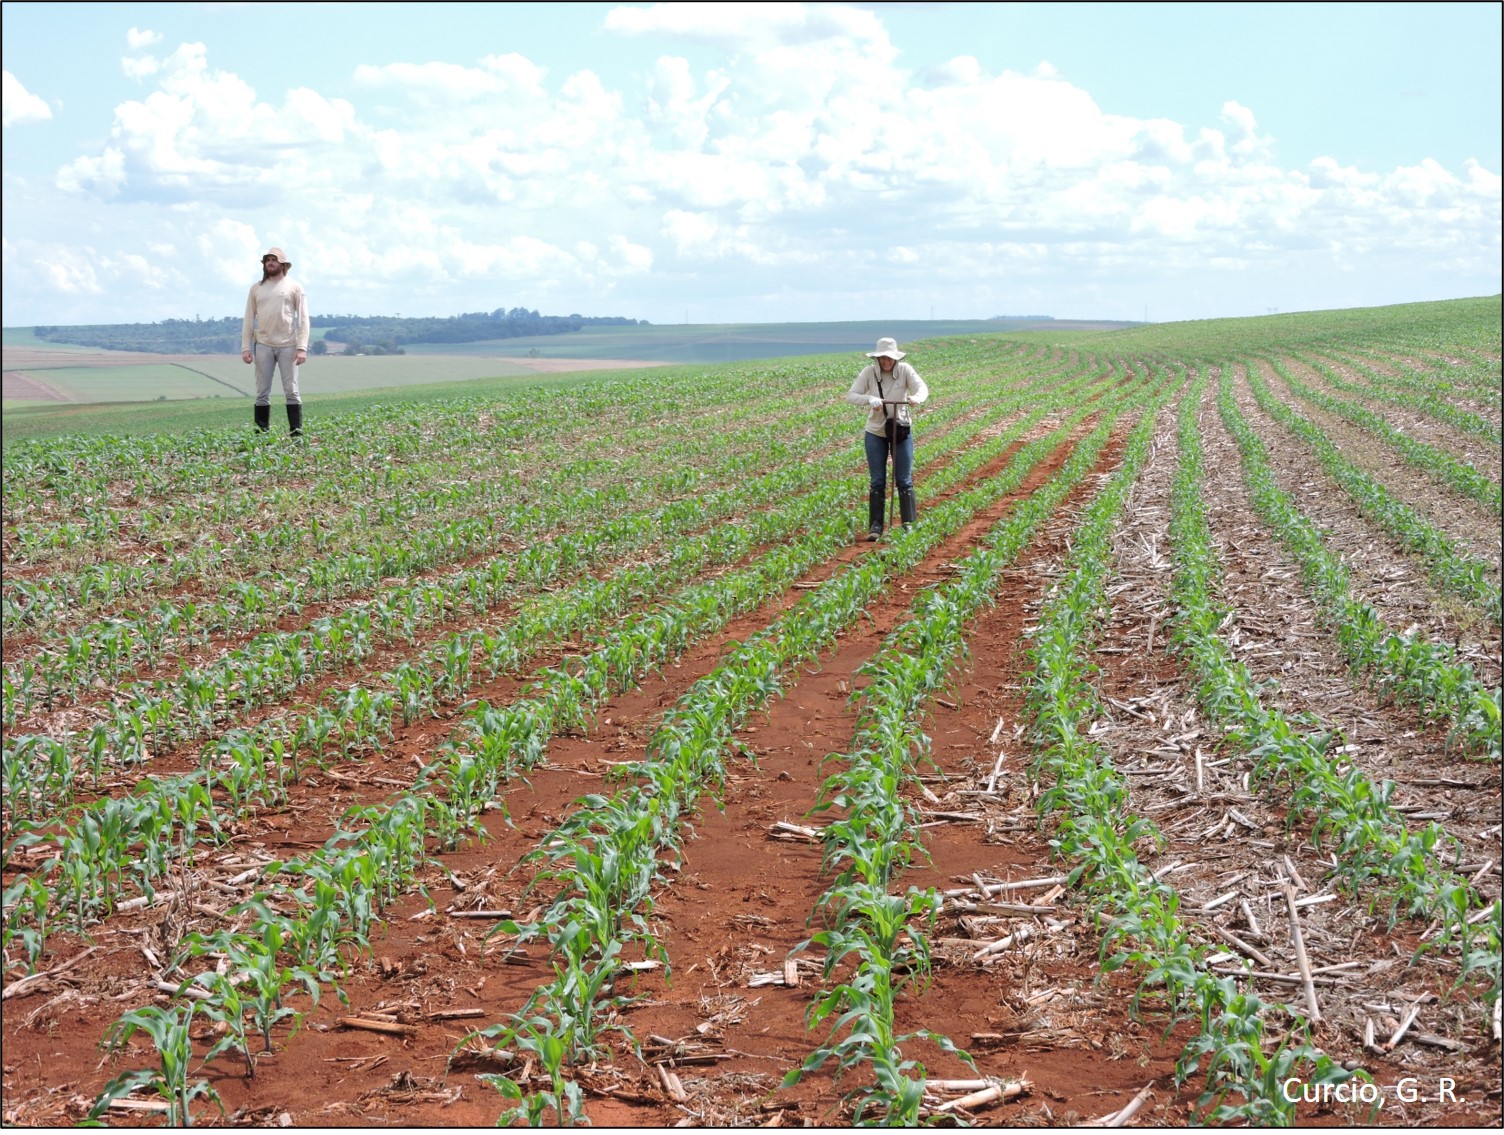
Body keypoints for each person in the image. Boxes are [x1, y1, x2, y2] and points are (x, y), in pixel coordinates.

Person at [845, 337, 928, 541]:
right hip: (875, 431)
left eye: (889, 358)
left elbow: (922, 388)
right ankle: (876, 526)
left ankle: (908, 523)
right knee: (878, 480)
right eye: (882, 358)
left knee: (904, 479)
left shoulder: (906, 370)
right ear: (877, 358)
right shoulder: (869, 373)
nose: (885, 361)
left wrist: (916, 398)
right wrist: (869, 399)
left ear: (896, 358)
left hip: (900, 429)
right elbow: (851, 395)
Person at [241, 247, 309, 436]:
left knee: (291, 390)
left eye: (274, 259)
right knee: (262, 392)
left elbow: (303, 319)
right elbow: (248, 319)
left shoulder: (294, 287)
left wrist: (302, 347)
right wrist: (246, 347)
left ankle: (296, 433)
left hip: (288, 345)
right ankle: (261, 433)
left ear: (283, 264)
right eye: (267, 260)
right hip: (263, 344)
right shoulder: (256, 288)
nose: (270, 263)